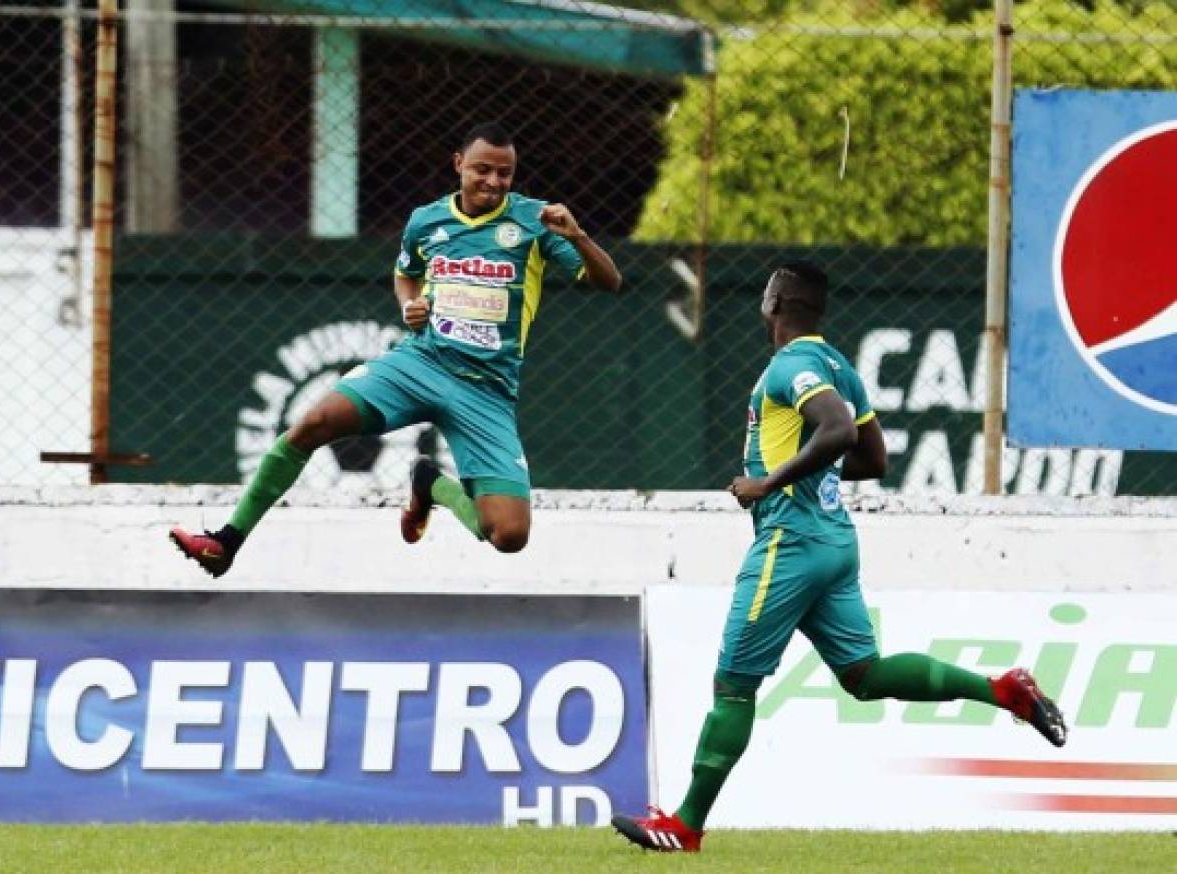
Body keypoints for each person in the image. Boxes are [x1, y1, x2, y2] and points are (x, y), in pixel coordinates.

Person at [610, 261, 1066, 854]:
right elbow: (874, 458)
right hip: (834, 541)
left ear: (773, 301)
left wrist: (770, 482)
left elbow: (839, 431)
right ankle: (1002, 689)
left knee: (733, 685)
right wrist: (809, 469)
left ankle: (685, 826)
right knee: (864, 674)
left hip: (791, 542)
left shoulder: (792, 366)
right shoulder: (840, 367)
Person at [170, 122, 621, 576]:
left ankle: (432, 484)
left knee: (509, 535)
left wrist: (577, 236)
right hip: (420, 363)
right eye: (483, 169)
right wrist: (410, 306)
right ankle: (226, 542)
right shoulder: (426, 221)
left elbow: (610, 282)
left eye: (505, 174)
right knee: (312, 422)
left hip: (486, 389)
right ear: (458, 163)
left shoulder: (535, 221)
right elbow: (406, 273)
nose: (494, 182)